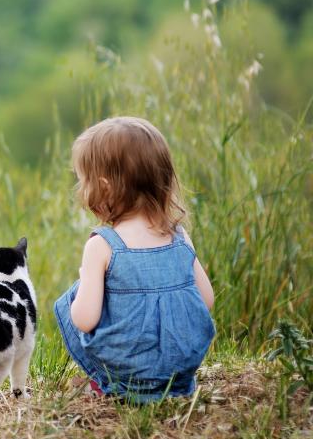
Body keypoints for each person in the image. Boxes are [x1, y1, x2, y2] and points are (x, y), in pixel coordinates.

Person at [54, 116, 215, 401]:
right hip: (179, 372)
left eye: (84, 183)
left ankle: (106, 382)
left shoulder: (102, 245)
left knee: (70, 301)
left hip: (127, 375)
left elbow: (84, 320)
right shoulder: (179, 236)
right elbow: (206, 301)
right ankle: (165, 383)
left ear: (104, 188)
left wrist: (85, 280)